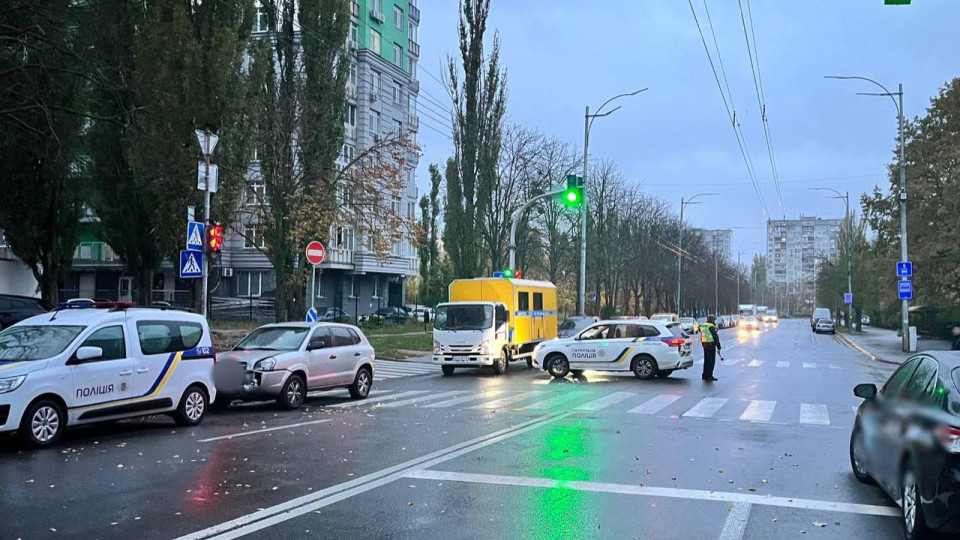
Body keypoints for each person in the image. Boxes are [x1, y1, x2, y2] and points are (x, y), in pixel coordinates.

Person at [700, 315, 722, 381]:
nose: (715, 321)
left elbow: (702, 335)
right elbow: (716, 337)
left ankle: (705, 375)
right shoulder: (711, 327)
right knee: (711, 361)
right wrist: (718, 346)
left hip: (705, 345)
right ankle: (709, 376)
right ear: (712, 320)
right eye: (714, 320)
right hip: (710, 345)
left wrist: (703, 344)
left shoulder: (703, 325)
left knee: (706, 361)